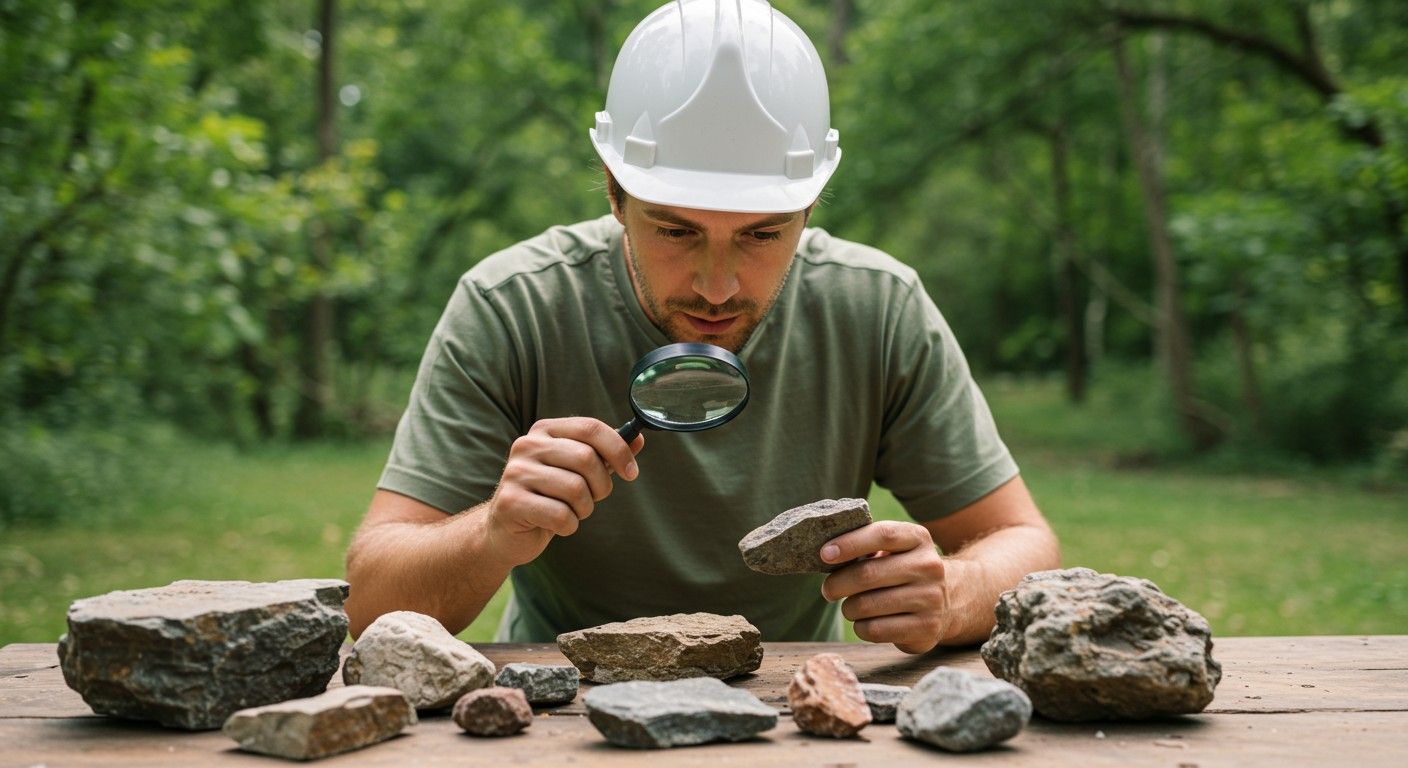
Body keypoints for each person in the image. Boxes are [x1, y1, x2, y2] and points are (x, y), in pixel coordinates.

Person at [344, 0, 1059, 653]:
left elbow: (1026, 543)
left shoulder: (877, 309)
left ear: (809, 208)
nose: (717, 289)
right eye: (676, 231)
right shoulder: (513, 307)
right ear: (614, 191)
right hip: (562, 701)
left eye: (761, 236)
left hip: (790, 699)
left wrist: (954, 592)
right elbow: (369, 599)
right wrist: (492, 536)